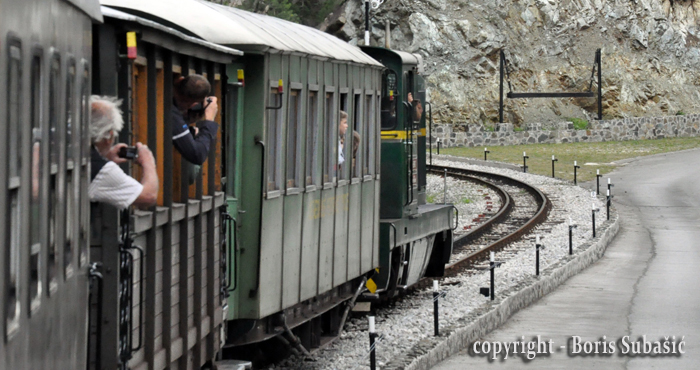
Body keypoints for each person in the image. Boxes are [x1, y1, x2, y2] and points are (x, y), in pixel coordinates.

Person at [89, 96, 158, 210]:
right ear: (109, 136)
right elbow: (148, 196)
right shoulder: (102, 171)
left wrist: (106, 158)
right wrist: (148, 162)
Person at [172, 74, 219, 165]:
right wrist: (209, 119)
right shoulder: (173, 116)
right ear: (194, 105)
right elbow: (198, 155)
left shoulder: (164, 96)